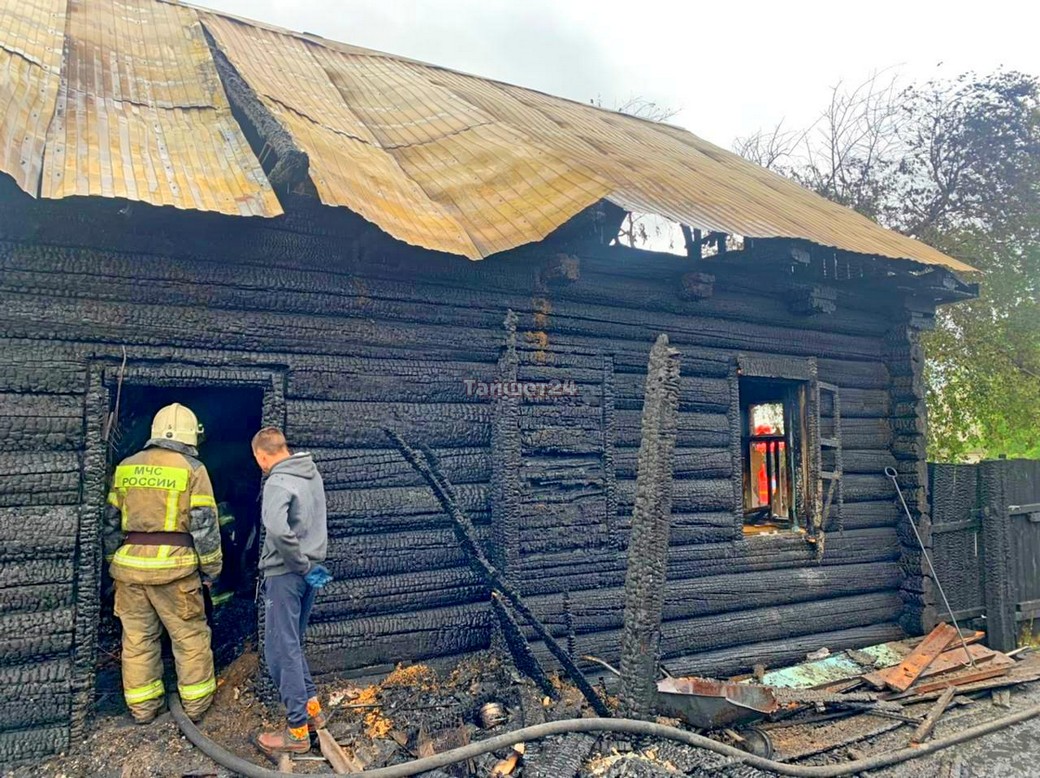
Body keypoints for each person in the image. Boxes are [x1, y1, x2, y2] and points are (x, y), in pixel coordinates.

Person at [102, 403, 223, 723]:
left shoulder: (125, 467)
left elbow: (110, 522)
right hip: (176, 570)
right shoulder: (193, 470)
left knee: (138, 641)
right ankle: (196, 706)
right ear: (190, 434)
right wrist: (212, 570)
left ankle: (142, 709)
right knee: (189, 637)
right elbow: (205, 525)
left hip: (129, 570)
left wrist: (113, 560)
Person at [251, 427, 332, 756]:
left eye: (258, 460)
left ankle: (297, 730)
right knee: (293, 644)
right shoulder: (311, 474)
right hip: (310, 571)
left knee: (279, 650)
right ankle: (313, 711)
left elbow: (278, 530)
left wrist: (297, 564)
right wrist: (308, 566)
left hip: (287, 573)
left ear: (263, 455)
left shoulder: (276, 480)